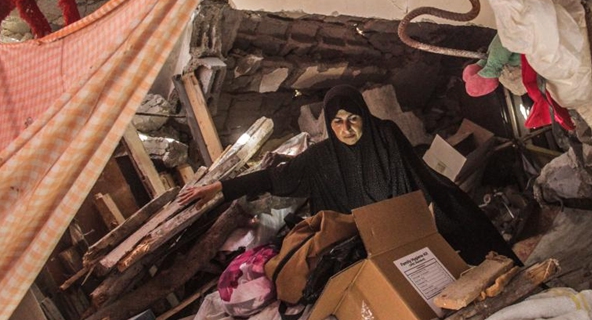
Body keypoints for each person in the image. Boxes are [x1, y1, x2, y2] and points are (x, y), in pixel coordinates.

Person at [178, 85, 520, 266]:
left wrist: (427, 219)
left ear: (363, 117)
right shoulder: (321, 158)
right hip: (365, 236)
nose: (346, 128)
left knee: (462, 226)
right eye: (337, 121)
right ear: (329, 123)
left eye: (353, 119)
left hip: (408, 219)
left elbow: (415, 175)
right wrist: (220, 188)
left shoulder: (384, 134)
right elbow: (272, 177)